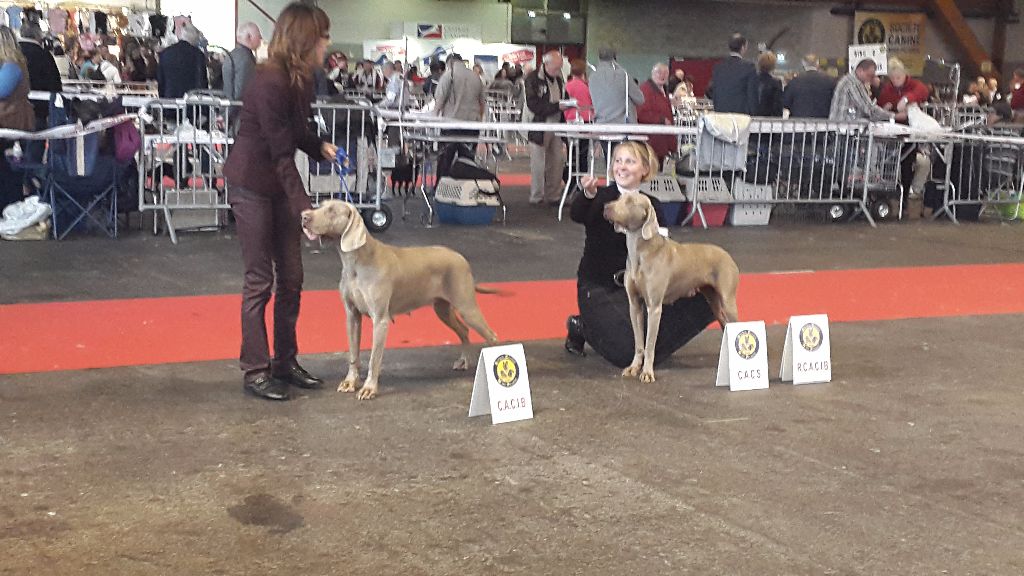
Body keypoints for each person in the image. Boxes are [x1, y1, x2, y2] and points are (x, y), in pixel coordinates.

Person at [222, 3, 338, 401]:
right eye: (323, 36)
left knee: (292, 277)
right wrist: (306, 208)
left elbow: (293, 131)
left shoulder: (300, 77)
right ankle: (255, 370)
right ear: (306, 39)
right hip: (251, 184)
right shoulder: (269, 80)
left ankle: (285, 362)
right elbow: (278, 151)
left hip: (276, 183)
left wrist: (316, 143)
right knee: (259, 281)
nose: (327, 43)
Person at [565, 141, 714, 365]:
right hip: (602, 287)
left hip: (644, 285)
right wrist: (587, 194)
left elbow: (664, 249)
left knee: (706, 300)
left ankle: (646, 349)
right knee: (625, 353)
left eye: (630, 161)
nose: (622, 166)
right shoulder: (600, 196)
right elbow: (577, 214)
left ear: (645, 169)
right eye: (618, 161)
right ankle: (583, 326)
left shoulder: (651, 205)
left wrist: (686, 278)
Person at [524, 50, 568, 206]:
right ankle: (536, 196)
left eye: (560, 68)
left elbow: (563, 96)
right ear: (546, 64)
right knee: (538, 163)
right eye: (556, 68)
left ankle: (553, 195)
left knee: (557, 161)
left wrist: (567, 103)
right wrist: (557, 106)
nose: (558, 71)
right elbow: (533, 104)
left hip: (556, 125)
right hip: (538, 125)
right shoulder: (533, 79)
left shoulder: (559, 79)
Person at [433, 52, 485, 172]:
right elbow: (482, 103)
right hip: (472, 125)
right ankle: (465, 188)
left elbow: (439, 101)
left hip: (450, 125)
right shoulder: (476, 77)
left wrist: (434, 119)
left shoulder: (448, 76)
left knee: (445, 161)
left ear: (449, 63)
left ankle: (441, 188)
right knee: (467, 161)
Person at [1, 25, 34, 209]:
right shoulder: (13, 65)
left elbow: (1, 90)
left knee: (7, 170)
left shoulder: (11, 67)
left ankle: (8, 206)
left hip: (9, 122)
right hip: (11, 122)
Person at [17, 22, 61, 131]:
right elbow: (54, 83)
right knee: (34, 143)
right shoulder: (44, 55)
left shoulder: (11, 53)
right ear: (38, 35)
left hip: (11, 108)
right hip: (38, 110)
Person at [828, 58, 900, 122]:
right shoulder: (854, 83)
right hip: (843, 128)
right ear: (860, 70)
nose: (869, 79)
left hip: (839, 126)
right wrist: (894, 116)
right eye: (868, 75)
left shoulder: (848, 79)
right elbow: (869, 109)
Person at [589, 47, 644, 125]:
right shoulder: (622, 75)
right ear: (615, 57)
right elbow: (640, 99)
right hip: (622, 125)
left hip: (600, 124)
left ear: (599, 58)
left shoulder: (592, 77)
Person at [707, 33, 758, 114]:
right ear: (743, 48)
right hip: (740, 117)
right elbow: (752, 95)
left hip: (721, 114)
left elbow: (710, 91)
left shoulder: (718, 67)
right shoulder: (749, 67)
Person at [636, 62, 675, 163]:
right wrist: (662, 119)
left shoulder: (662, 90)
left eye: (665, 73)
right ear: (652, 73)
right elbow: (641, 114)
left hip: (660, 143)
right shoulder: (645, 90)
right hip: (651, 143)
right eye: (659, 72)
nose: (662, 75)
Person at [157, 22, 207, 98]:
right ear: (193, 36)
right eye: (197, 36)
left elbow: (161, 81)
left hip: (169, 100)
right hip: (191, 101)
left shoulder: (165, 53)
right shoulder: (198, 55)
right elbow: (201, 81)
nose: (198, 39)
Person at [782, 53, 835, 119]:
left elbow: (786, 103)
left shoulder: (795, 82)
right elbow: (835, 103)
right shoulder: (830, 81)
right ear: (817, 63)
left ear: (803, 64)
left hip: (799, 124)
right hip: (823, 123)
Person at [222, 22, 261, 101]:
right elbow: (241, 91)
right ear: (249, 37)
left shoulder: (233, 54)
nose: (261, 39)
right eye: (259, 36)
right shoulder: (245, 58)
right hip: (238, 109)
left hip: (228, 106)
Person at [753, 52, 783, 117]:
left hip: (752, 117)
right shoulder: (776, 83)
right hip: (769, 118)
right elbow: (777, 105)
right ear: (773, 66)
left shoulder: (752, 80)